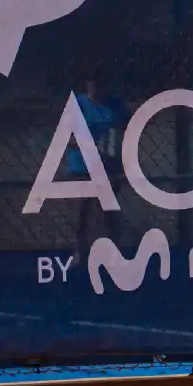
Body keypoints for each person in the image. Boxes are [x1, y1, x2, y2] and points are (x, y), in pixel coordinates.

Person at [66, 65, 130, 263]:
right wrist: (90, 145)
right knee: (81, 212)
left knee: (109, 212)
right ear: (87, 84)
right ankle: (80, 251)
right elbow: (66, 137)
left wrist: (115, 146)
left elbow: (129, 129)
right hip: (83, 167)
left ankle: (113, 253)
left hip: (108, 167)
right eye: (92, 83)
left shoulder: (116, 105)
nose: (96, 87)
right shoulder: (78, 104)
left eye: (100, 83)